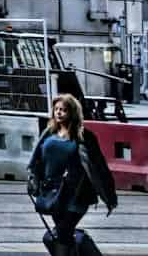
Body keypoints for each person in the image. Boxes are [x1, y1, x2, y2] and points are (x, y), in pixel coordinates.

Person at [27, 93, 118, 254]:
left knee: (63, 232)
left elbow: (99, 167)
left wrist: (110, 197)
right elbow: (37, 161)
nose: (59, 113)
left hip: (76, 193)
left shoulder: (84, 137)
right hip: (53, 193)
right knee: (65, 235)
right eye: (56, 109)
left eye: (63, 110)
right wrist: (34, 181)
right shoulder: (49, 133)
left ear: (72, 113)